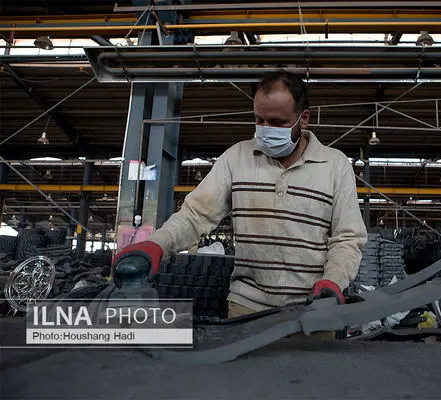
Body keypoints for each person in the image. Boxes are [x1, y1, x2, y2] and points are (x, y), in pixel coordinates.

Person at [113, 70, 367, 318]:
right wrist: (156, 244)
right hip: (246, 309)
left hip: (314, 310)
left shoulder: (335, 165)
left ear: (303, 118)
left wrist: (333, 281)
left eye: (277, 122)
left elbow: (347, 238)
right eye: (259, 120)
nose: (266, 130)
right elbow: (194, 216)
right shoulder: (236, 158)